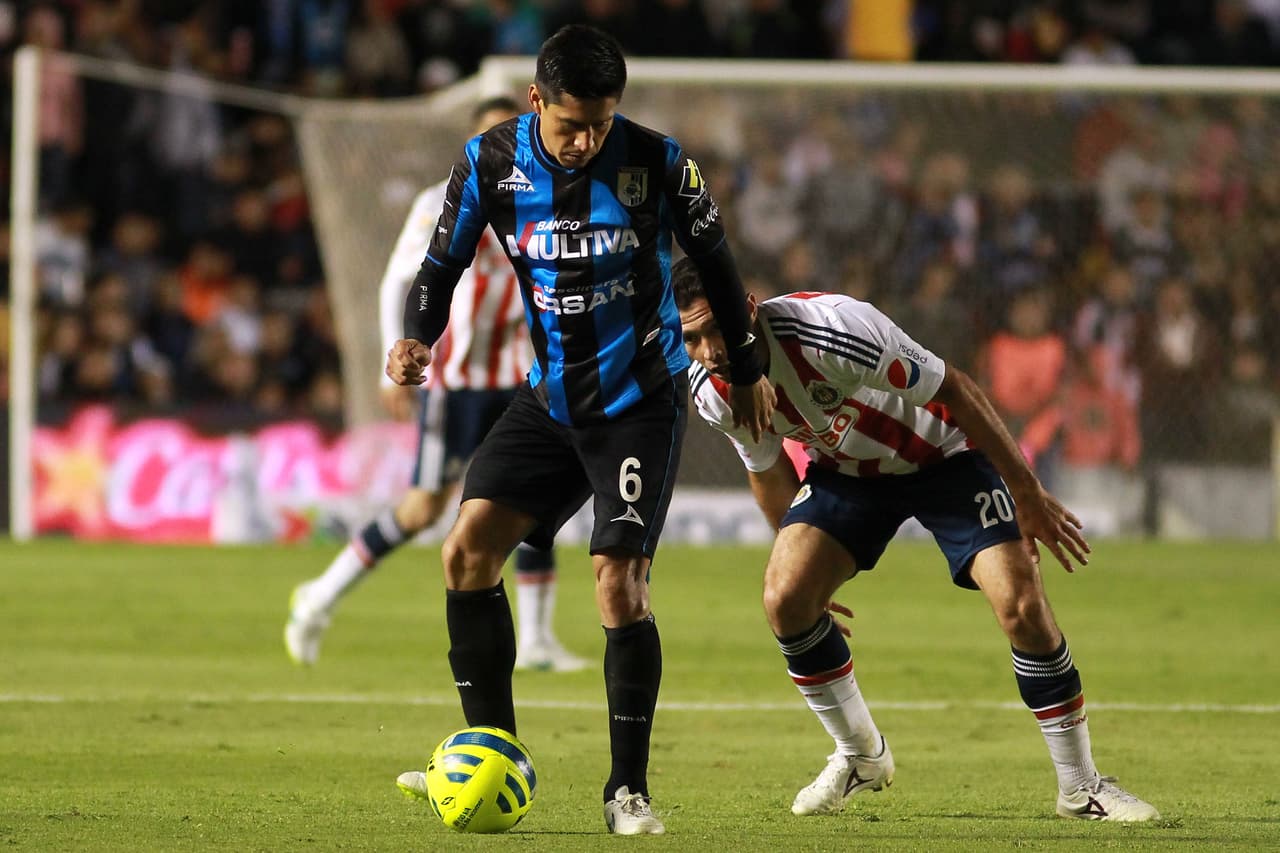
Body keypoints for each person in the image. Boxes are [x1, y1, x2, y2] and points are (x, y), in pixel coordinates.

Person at [384, 25, 774, 835]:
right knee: (464, 552)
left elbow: (722, 265)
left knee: (616, 582)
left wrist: (746, 364)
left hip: (638, 403)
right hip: (549, 401)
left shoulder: (659, 163)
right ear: (535, 101)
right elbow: (439, 265)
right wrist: (419, 334)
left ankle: (626, 791)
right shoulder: (491, 161)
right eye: (569, 126)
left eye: (599, 124)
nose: (585, 141)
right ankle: (492, 755)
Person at [672, 258, 1159, 823]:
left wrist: (1025, 491)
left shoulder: (833, 331)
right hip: (847, 474)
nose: (709, 349)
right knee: (784, 598)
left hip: (945, 458)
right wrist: (806, 573)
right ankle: (861, 756)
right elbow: (766, 467)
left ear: (748, 308)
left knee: (1022, 606)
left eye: (716, 328)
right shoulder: (711, 389)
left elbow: (955, 388)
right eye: (692, 337)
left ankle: (1081, 787)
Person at [284, 97, 587, 673]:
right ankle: (319, 596)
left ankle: (539, 640)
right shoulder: (442, 199)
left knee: (535, 501)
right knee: (423, 510)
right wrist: (389, 359)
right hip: (457, 382)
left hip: (524, 377)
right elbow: (400, 277)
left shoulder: (551, 195)